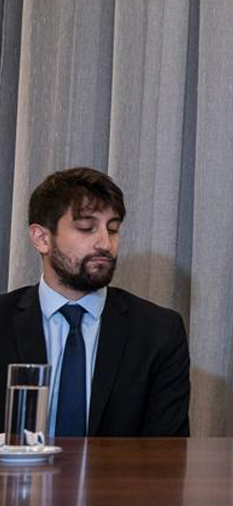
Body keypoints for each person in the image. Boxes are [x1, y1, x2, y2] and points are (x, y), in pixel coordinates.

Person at [0, 167, 190, 437]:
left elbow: (167, 452)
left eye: (112, 229)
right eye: (86, 228)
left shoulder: (160, 332)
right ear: (41, 239)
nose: (105, 243)